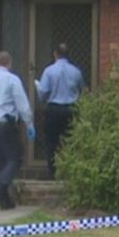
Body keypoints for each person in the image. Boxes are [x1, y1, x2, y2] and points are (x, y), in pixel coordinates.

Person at [0, 51, 36, 210]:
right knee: (15, 157)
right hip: (5, 124)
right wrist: (29, 124)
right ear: (9, 63)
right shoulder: (12, 79)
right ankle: (2, 185)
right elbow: (22, 105)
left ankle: (3, 199)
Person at [35, 43, 85, 179]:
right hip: (71, 108)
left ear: (55, 54)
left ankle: (53, 174)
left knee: (52, 142)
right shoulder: (76, 72)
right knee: (71, 141)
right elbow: (82, 92)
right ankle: (72, 172)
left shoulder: (49, 71)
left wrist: (38, 88)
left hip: (54, 109)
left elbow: (43, 94)